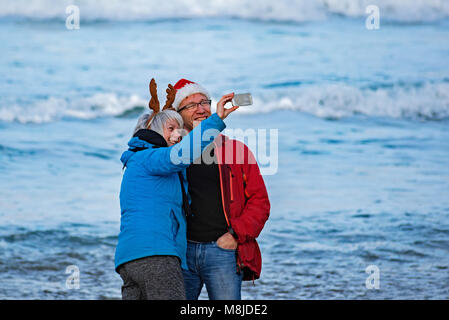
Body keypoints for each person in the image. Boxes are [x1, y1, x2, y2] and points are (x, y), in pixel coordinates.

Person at [114, 79, 239, 300]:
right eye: (170, 129)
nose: (178, 134)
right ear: (153, 132)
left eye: (179, 129)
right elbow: (183, 154)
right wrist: (216, 120)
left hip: (128, 260)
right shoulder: (152, 157)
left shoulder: (137, 161)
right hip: (156, 256)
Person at [172, 79, 271, 300]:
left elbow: (260, 202)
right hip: (182, 252)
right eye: (191, 105)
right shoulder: (170, 154)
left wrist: (235, 235)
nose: (200, 109)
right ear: (178, 114)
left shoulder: (236, 150)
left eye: (204, 102)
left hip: (222, 251)